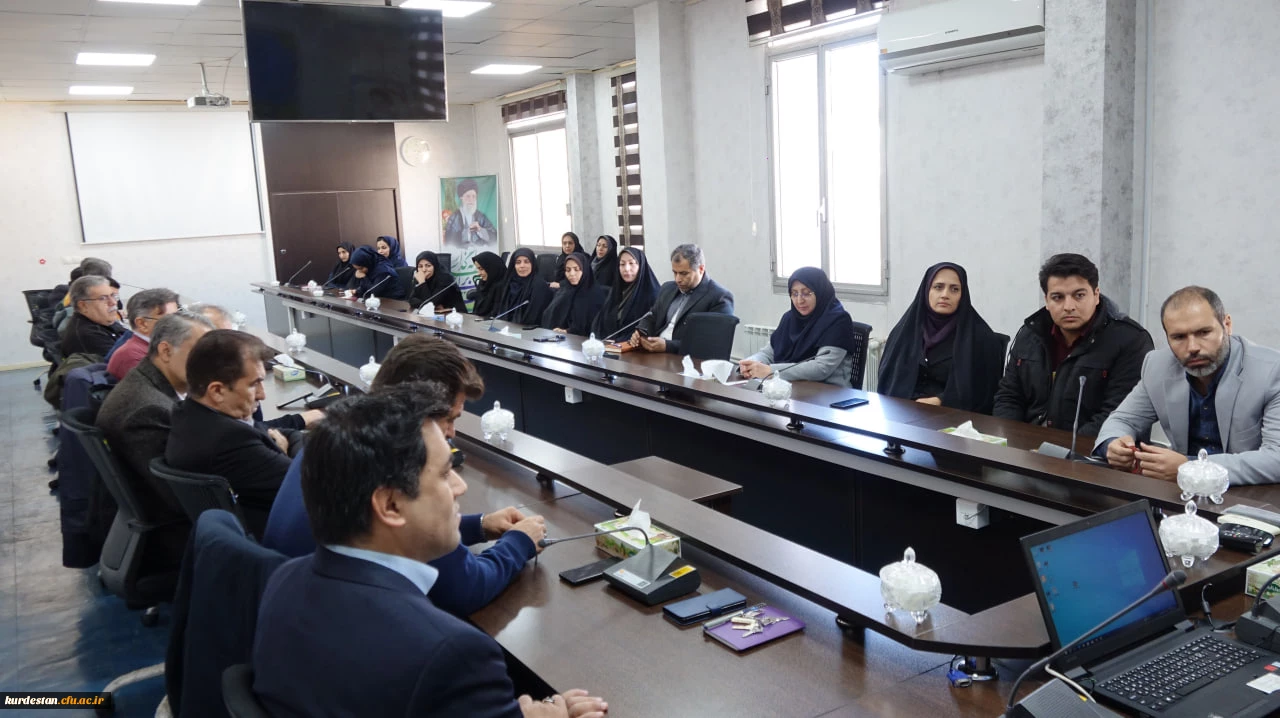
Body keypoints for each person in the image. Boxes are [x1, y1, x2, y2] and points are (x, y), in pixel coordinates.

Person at [252, 389, 608, 718]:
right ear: (390, 505)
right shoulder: (451, 654)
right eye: (445, 474)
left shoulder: (283, 580)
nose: (460, 486)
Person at [263, 334, 545, 616]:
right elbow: (467, 588)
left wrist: (479, 525)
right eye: (448, 419)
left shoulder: (337, 438)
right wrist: (519, 542)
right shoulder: (385, 468)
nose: (451, 433)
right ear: (416, 408)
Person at [1094, 287, 1280, 485]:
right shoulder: (1158, 365)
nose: (1192, 347)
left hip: (1251, 495)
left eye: (1204, 332)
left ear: (1227, 325)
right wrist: (1113, 445)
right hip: (1179, 493)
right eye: (1179, 337)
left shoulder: (1271, 371)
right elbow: (1123, 420)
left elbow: (1276, 459)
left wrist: (1189, 468)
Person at [96, 312, 214, 566]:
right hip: (171, 536)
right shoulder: (149, 409)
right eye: (201, 354)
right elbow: (182, 496)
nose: (210, 365)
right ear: (166, 351)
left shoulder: (146, 382)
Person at [993, 254, 1154, 436]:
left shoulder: (1130, 340)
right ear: (1046, 301)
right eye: (1058, 297)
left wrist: (1063, 447)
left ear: (1096, 295)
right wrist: (1009, 441)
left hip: (1094, 449)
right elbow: (1009, 397)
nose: (1068, 306)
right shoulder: (1030, 334)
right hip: (1027, 444)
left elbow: (1119, 415)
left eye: (1079, 296)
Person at [164, 330, 299, 537]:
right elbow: (307, 484)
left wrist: (292, 444)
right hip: (278, 536)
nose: (262, 394)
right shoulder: (228, 439)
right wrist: (283, 452)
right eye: (254, 384)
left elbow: (278, 433)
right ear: (217, 391)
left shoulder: (189, 414)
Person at [876, 263, 1006, 411]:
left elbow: (983, 391)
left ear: (963, 295)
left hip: (953, 416)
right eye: (938, 287)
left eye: (954, 289)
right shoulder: (905, 331)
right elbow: (888, 379)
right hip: (903, 412)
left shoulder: (981, 338)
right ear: (927, 290)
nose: (945, 295)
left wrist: (941, 401)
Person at [739, 267, 863, 388]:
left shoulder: (838, 320)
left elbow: (821, 368)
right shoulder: (790, 318)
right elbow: (768, 353)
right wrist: (751, 364)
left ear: (820, 292)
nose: (799, 300)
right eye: (794, 294)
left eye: (806, 293)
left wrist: (771, 371)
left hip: (829, 393)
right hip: (791, 388)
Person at [632, 244, 735, 355]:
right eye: (675, 272)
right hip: (655, 353)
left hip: (687, 359)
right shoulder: (667, 288)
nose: (678, 279)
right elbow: (652, 316)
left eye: (684, 273)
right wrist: (641, 332)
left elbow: (712, 343)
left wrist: (668, 346)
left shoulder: (720, 297)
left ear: (701, 269)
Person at [106, 288, 180, 380]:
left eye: (179, 317)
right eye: (170, 319)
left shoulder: (156, 348)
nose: (179, 324)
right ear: (142, 324)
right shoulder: (132, 357)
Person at [591, 246, 661, 340]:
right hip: (606, 344)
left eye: (631, 263)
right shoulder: (617, 291)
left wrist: (616, 343)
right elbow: (599, 322)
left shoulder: (652, 295)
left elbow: (646, 330)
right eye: (622, 264)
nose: (626, 269)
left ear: (641, 265)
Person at [541, 252, 606, 336]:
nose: (571, 274)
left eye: (576, 269)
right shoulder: (564, 290)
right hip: (554, 336)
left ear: (585, 270)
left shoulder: (595, 294)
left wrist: (567, 331)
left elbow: (591, 327)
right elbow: (549, 315)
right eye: (568, 270)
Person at [61, 275, 126, 358]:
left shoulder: (103, 321)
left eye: (113, 296)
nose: (113, 302)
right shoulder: (88, 336)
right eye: (103, 298)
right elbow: (123, 363)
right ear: (83, 305)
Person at [494, 248, 553, 325]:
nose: (522, 266)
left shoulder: (539, 285)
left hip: (528, 328)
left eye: (526, 262)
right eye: (518, 262)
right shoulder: (509, 283)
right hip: (504, 326)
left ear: (532, 264)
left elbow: (533, 317)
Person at [444, 178, 497, 247]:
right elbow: (449, 241)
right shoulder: (454, 218)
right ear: (461, 197)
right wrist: (467, 232)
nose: (471, 200)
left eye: (474, 196)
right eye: (468, 196)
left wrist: (480, 230)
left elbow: (495, 238)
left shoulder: (481, 217)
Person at [470, 251, 507, 318]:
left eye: (481, 269)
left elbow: (496, 315)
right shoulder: (483, 283)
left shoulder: (502, 286)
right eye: (478, 269)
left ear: (492, 268)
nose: (479, 273)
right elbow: (476, 311)